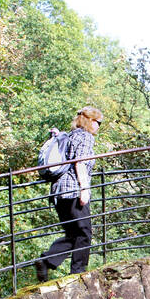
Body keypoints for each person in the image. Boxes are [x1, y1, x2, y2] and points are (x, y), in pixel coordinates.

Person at [35, 106, 103, 281]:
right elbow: (79, 163)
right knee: (85, 233)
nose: (99, 126)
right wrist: (84, 189)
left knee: (74, 234)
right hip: (73, 189)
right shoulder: (85, 137)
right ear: (90, 120)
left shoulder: (70, 135)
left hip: (59, 192)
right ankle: (77, 274)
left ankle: (46, 261)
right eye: (99, 122)